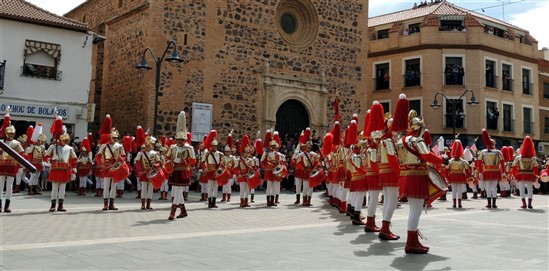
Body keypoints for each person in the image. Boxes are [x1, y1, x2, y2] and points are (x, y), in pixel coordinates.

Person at [395, 104, 444, 254]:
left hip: (405, 176)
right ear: (419, 128)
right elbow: (426, 155)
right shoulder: (416, 140)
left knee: (413, 210)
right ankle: (411, 242)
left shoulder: (400, 141)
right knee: (415, 211)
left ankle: (414, 240)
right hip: (416, 176)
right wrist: (442, 160)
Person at [165, 111, 195, 219]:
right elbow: (167, 157)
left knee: (178, 191)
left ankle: (172, 212)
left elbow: (193, 160)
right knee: (176, 191)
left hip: (183, 171)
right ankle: (183, 211)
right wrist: (171, 162)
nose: (180, 141)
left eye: (182, 139)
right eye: (179, 139)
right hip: (174, 170)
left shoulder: (189, 148)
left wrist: (184, 162)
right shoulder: (173, 147)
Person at [45, 117, 77, 212]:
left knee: (62, 189)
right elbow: (45, 157)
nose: (66, 142)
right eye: (64, 140)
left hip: (64, 170)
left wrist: (74, 171)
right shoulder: (53, 147)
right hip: (55, 169)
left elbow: (73, 160)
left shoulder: (70, 148)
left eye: (67, 140)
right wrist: (51, 159)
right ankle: (53, 205)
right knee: (54, 188)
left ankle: (61, 205)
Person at [96, 115, 127, 211]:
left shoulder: (120, 146)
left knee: (114, 187)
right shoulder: (104, 146)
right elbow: (98, 156)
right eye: (112, 137)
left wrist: (121, 160)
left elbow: (124, 156)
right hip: (107, 167)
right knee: (106, 186)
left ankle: (112, 204)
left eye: (115, 137)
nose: (114, 139)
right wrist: (101, 164)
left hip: (116, 167)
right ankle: (105, 204)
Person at [0, 113, 25, 213]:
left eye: (12, 133)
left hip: (12, 166)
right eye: (9, 133)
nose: (10, 135)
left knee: (10, 186)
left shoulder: (17, 143)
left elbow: (21, 155)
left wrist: (20, 166)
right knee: (0, 186)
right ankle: (0, 205)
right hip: (1, 165)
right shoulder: (1, 142)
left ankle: (7, 205)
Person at [476, 129, 504, 209]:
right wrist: (503, 172)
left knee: (488, 187)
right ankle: (494, 203)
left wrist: (480, 172)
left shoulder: (483, 152)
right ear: (493, 144)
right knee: (494, 187)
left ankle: (489, 203)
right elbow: (502, 162)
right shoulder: (498, 152)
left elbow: (479, 162)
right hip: (495, 171)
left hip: (486, 171)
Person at [134, 134, 162, 210]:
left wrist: (156, 165)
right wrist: (139, 171)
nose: (148, 146)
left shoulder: (155, 153)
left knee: (150, 189)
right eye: (148, 145)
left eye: (150, 145)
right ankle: (143, 204)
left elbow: (159, 162)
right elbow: (137, 163)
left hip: (152, 173)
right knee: (143, 188)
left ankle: (148, 204)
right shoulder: (141, 153)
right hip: (144, 172)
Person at [512, 136, 539, 209]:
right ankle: (530, 204)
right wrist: (535, 175)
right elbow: (536, 167)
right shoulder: (533, 158)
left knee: (521, 189)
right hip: (530, 175)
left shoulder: (518, 157)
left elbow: (513, 166)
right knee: (530, 189)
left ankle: (524, 204)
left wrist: (515, 174)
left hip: (521, 175)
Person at [260, 130, 286, 206]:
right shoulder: (266, 153)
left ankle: (273, 201)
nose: (273, 148)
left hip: (275, 172)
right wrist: (266, 168)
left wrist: (281, 171)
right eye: (272, 146)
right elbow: (262, 161)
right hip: (269, 171)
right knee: (269, 187)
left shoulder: (278, 154)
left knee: (274, 187)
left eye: (274, 146)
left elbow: (281, 163)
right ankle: (268, 201)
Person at [201, 130, 224, 208]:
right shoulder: (207, 153)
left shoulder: (220, 154)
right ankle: (209, 202)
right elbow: (203, 162)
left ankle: (214, 202)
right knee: (210, 187)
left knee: (216, 187)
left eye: (215, 146)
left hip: (217, 171)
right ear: (210, 146)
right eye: (213, 146)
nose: (214, 147)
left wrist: (220, 170)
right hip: (210, 171)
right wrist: (206, 168)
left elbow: (222, 163)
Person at [447, 140, 470, 208]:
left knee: (453, 190)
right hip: (461, 176)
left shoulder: (450, 161)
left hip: (452, 176)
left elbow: (447, 170)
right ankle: (459, 204)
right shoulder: (464, 162)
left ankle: (454, 204)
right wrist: (468, 177)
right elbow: (467, 170)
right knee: (460, 189)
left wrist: (447, 177)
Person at [25, 124, 47, 195]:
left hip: (40, 163)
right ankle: (30, 189)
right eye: (38, 140)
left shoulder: (42, 147)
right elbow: (28, 152)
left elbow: (45, 154)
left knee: (37, 177)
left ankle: (35, 189)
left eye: (40, 140)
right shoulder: (33, 146)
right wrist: (31, 146)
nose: (39, 141)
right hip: (34, 163)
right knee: (32, 176)